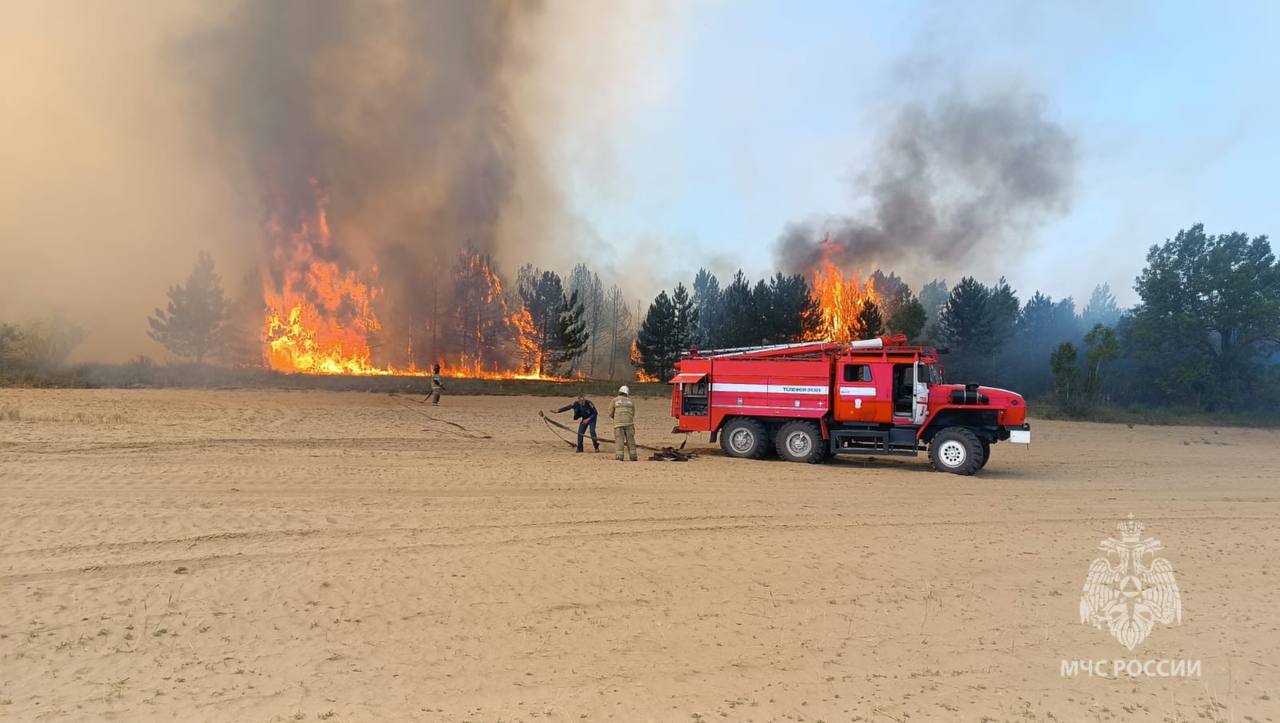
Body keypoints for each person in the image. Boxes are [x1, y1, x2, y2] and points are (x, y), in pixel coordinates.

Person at [609, 385, 637, 462]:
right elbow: (633, 413)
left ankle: (619, 457)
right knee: (631, 441)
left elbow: (610, 413)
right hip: (629, 424)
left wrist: (617, 419)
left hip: (618, 424)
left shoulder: (614, 400)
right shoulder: (631, 401)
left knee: (619, 441)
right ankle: (633, 457)